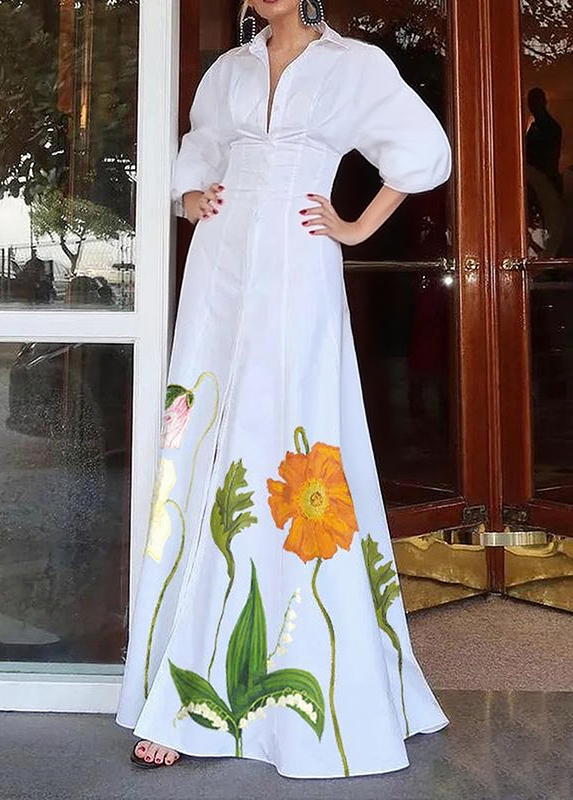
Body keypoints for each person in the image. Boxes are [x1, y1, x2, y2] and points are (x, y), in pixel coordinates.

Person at [116, 0, 451, 779]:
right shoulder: (228, 70)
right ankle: (184, 689)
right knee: (209, 453)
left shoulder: (352, 65)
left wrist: (357, 226)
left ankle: (303, 689)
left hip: (300, 273)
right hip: (219, 274)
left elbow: (424, 153)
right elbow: (198, 153)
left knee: (294, 458)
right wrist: (189, 199)